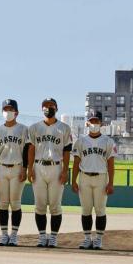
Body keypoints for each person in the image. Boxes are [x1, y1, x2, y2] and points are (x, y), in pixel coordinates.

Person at [27, 98, 72, 248]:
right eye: (45, 106)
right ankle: (41, 236)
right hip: (39, 166)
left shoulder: (64, 128)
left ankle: (53, 237)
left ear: (56, 108)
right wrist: (30, 168)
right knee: (39, 205)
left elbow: (67, 151)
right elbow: (31, 149)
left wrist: (65, 171)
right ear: (41, 109)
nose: (48, 108)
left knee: (55, 205)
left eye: (51, 106)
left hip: (56, 166)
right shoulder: (34, 128)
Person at [72, 110, 116, 250]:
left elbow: (111, 164)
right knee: (85, 210)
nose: (94, 123)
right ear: (87, 123)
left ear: (101, 123)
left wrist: (111, 183)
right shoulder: (80, 141)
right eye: (92, 121)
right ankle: (87, 238)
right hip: (84, 177)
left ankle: (98, 239)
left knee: (100, 210)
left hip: (101, 178)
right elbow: (76, 162)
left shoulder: (108, 141)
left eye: (96, 121)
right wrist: (73, 180)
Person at [0, 99, 29, 246]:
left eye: (10, 109)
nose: (8, 112)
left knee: (15, 202)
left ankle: (14, 235)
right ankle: (4, 234)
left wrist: (25, 169)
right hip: (1, 168)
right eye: (5, 109)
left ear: (16, 112)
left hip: (17, 167)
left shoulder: (23, 129)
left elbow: (26, 151)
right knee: (3, 203)